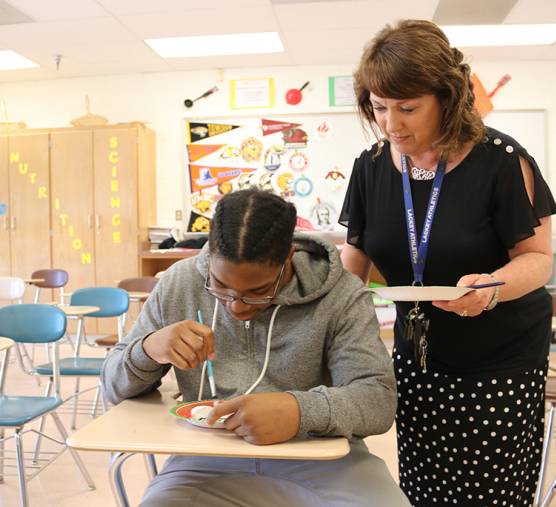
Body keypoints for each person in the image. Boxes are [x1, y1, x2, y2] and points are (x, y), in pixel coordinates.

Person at [339, 20, 556, 507]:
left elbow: (538, 259)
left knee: (488, 492)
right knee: (423, 486)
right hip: (419, 357)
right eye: (378, 108)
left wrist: (492, 286)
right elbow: (350, 264)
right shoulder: (371, 165)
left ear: (447, 97)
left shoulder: (500, 160)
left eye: (408, 108)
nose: (391, 124)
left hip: (499, 360)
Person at [101, 189, 410, 507]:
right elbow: (111, 386)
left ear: (288, 257)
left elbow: (377, 399)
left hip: (323, 459)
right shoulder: (180, 283)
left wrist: (298, 411)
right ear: (209, 259)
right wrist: (148, 349)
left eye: (258, 291)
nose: (236, 306)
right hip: (204, 462)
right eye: (220, 286)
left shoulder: (341, 294)